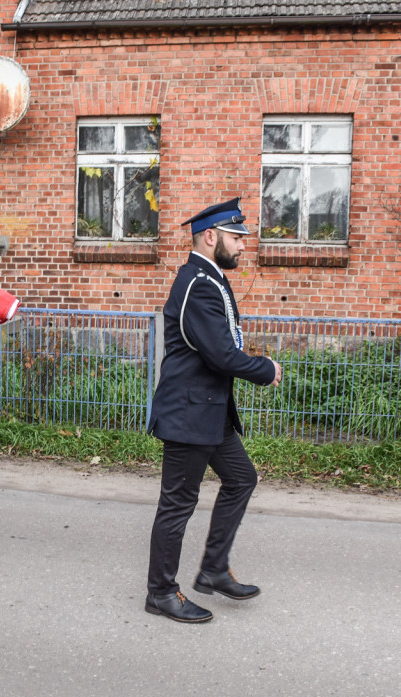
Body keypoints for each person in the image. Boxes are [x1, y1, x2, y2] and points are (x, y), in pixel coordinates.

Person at [145, 197, 282, 623]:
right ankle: (161, 593)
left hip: (209, 411)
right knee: (177, 506)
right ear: (210, 237)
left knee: (242, 478)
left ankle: (213, 569)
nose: (244, 245)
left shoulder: (210, 278)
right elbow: (222, 354)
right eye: (236, 237)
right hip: (189, 415)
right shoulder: (197, 283)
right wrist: (266, 369)